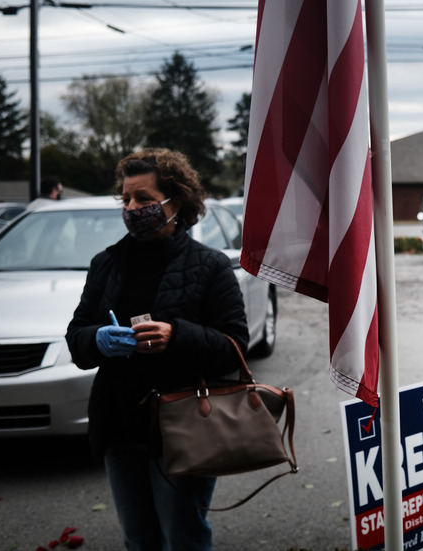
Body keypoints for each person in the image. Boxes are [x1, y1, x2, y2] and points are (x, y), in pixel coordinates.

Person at [66, 148, 249, 550]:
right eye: (126, 199)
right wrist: (96, 340)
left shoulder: (210, 266)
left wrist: (176, 335)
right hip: (120, 424)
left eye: (144, 199)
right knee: (139, 538)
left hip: (185, 426)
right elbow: (76, 337)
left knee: (184, 535)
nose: (132, 208)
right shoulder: (106, 263)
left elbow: (235, 346)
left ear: (176, 201)